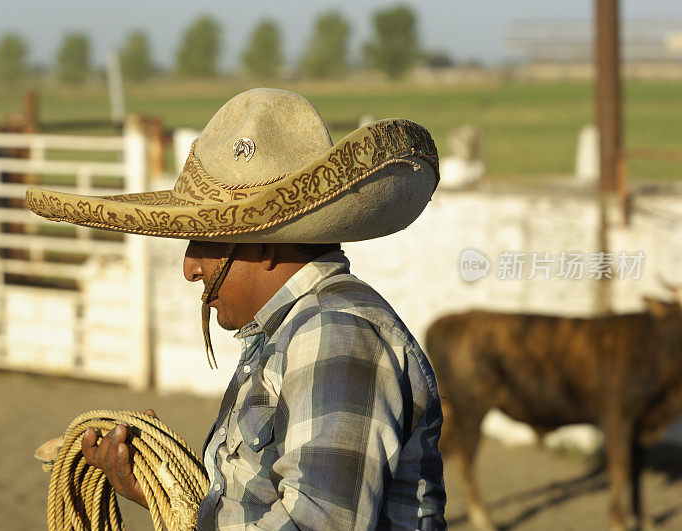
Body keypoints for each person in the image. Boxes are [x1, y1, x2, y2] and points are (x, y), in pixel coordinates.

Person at [26, 88, 446, 530]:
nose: (191, 267)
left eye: (205, 242)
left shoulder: (333, 334)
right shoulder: (294, 332)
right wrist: (159, 487)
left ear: (267, 245)